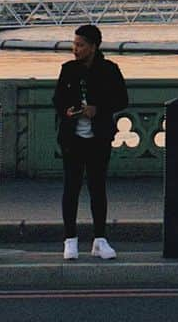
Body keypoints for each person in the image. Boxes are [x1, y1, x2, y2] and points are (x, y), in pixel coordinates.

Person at [53, 24, 128, 261]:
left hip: (99, 137)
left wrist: (98, 109)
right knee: (71, 189)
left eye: (80, 45)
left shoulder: (109, 70)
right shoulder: (67, 70)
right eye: (74, 44)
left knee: (97, 188)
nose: (75, 49)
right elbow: (57, 99)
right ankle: (70, 240)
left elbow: (122, 99)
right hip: (72, 137)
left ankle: (100, 239)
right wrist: (67, 110)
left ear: (93, 47)